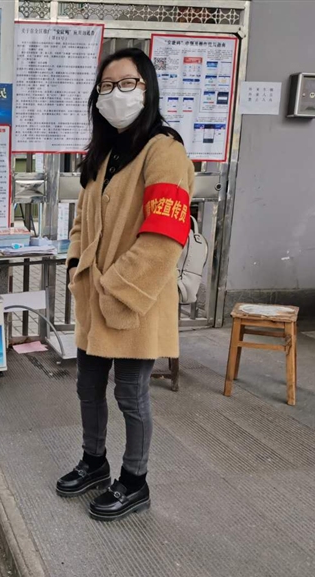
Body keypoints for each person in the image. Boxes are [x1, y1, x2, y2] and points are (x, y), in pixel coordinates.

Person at [56, 48, 194, 521]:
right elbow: (82, 219)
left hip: (136, 297)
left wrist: (116, 285)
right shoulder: (105, 152)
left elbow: (164, 236)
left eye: (127, 83)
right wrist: (77, 265)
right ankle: (94, 462)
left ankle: (135, 481)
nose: (116, 94)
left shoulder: (165, 150)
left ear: (147, 88)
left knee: (130, 394)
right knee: (88, 386)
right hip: (94, 294)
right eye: (107, 86)